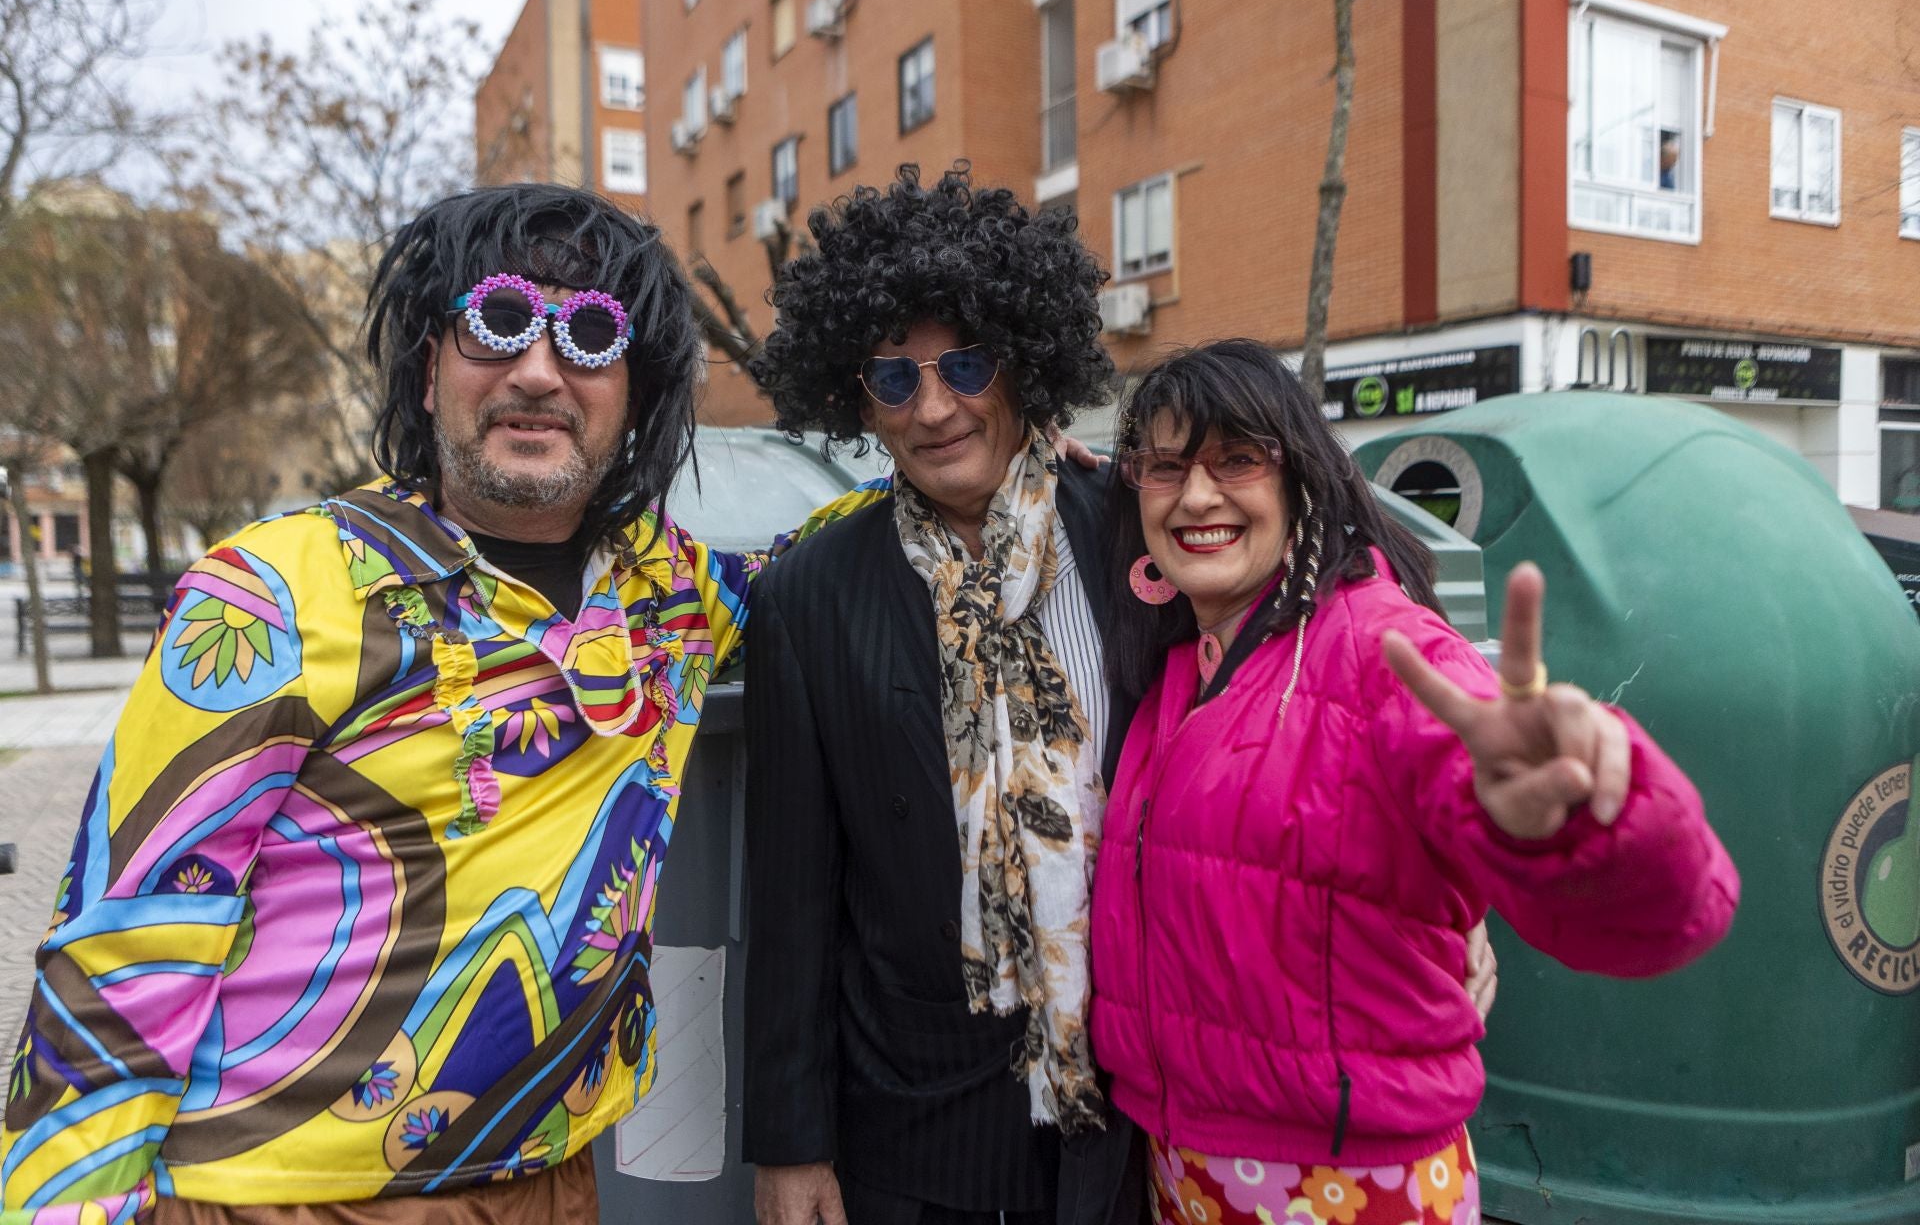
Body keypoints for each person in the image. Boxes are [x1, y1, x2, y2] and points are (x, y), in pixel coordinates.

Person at [0, 184, 874, 1223]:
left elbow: (838, 547)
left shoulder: (669, 594)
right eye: (498, 321)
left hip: (556, 1179)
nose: (541, 371)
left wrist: (1007, 468)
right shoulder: (276, 593)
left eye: (592, 336)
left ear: (635, 392)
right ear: (427, 370)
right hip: (283, 1198)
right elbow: (124, 944)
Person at [738, 170, 1494, 1225]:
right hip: (912, 1136)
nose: (937, 404)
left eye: (965, 362)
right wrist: (788, 1142)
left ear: (1023, 360)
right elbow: (789, 898)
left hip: (1133, 1120)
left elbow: (1317, 655)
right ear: (856, 397)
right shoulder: (809, 597)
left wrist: (1453, 893)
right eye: (893, 378)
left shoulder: (1138, 524)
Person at [1089, 340, 1740, 1225]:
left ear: (1300, 480)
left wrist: (1575, 817)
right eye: (1165, 467)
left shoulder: (1383, 650)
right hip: (1185, 1172)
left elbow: (1660, 913)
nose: (1197, 496)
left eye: (1236, 459)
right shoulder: (1180, 669)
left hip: (1352, 1190)